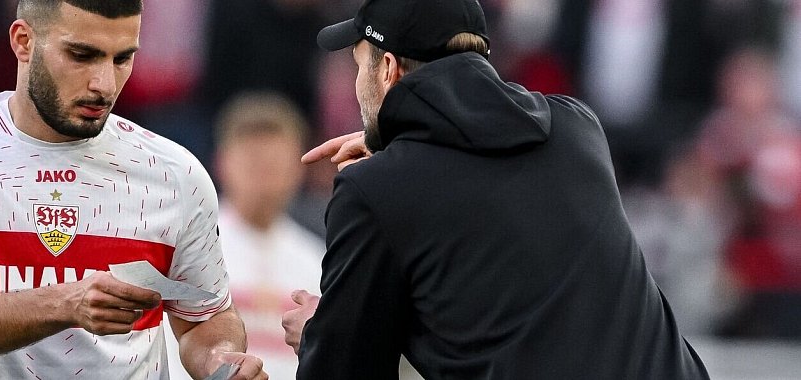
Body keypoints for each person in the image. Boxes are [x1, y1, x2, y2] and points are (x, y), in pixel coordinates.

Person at [281, 0, 710, 378]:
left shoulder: (373, 191)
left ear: (388, 70)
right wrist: (397, 144)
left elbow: (346, 368)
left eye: (360, 66)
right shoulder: (578, 129)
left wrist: (322, 337)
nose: (358, 84)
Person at [0, 1, 266, 379]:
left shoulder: (175, 173)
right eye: (82, 55)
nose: (104, 84)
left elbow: (206, 318)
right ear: (23, 41)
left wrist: (223, 363)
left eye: (121, 59)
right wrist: (68, 303)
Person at [164, 91, 325, 379]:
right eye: (254, 164)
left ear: (298, 168)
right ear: (221, 163)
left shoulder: (318, 261)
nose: (264, 177)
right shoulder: (189, 247)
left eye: (274, 164)